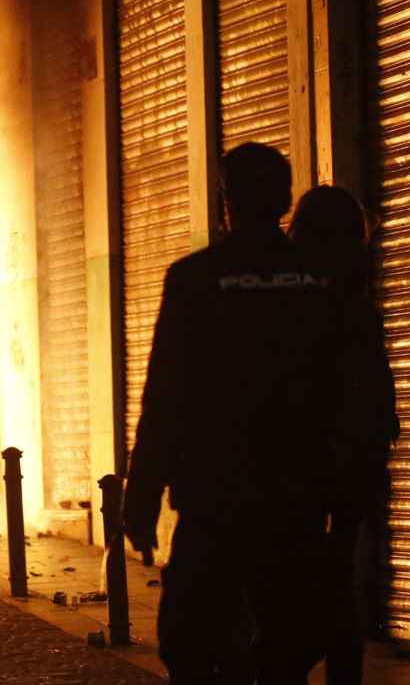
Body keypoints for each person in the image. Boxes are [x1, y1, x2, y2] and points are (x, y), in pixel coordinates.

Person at [123, 144, 350, 684]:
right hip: (296, 496)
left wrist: (143, 492)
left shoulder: (196, 278)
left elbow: (166, 394)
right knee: (288, 643)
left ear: (226, 199)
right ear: (284, 199)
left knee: (193, 641)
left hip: (214, 497)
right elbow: (349, 387)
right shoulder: (323, 281)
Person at [288, 185, 400, 685]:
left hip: (306, 468)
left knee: (309, 586)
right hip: (350, 466)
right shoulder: (353, 302)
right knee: (341, 590)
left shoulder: (288, 296)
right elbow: (376, 389)